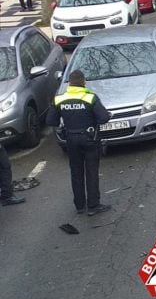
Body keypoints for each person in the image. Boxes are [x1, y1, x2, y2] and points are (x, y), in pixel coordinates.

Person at [45, 70, 112, 216]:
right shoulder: (90, 97)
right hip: (89, 139)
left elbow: (51, 121)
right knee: (91, 172)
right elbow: (103, 118)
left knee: (76, 172)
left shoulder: (59, 99)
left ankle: (80, 205)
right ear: (84, 82)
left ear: (69, 83)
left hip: (70, 139)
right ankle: (93, 205)